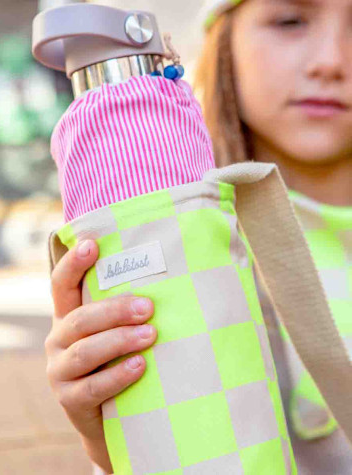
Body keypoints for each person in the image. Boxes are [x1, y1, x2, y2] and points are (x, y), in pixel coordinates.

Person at [44, 0, 352, 473]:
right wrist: (109, 441)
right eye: (290, 20)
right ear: (221, 38)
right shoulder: (181, 226)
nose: (331, 61)